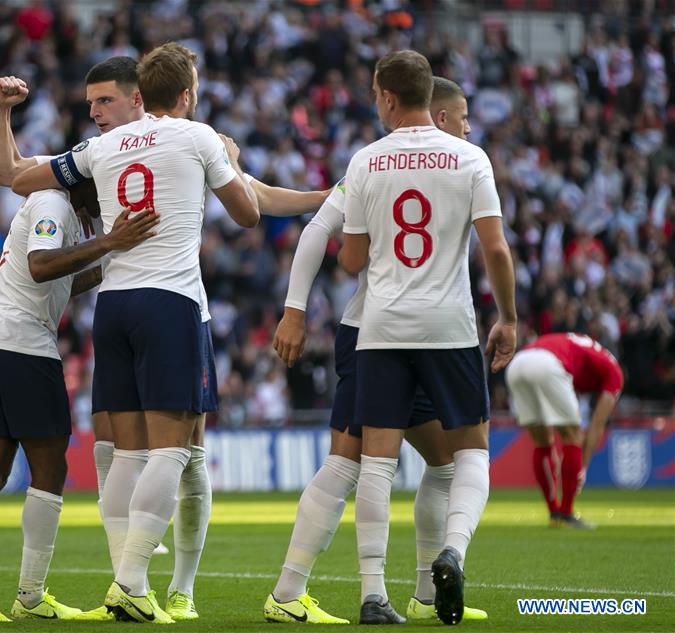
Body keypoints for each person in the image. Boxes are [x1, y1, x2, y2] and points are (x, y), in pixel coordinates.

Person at [0, 57, 325, 621]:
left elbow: (15, 176)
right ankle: (132, 582)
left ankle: (130, 584)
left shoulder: (102, 148)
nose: (96, 111)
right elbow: (248, 213)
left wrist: (2, 115)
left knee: (127, 454)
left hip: (114, 306)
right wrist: (233, 160)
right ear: (189, 94)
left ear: (140, 95)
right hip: (171, 304)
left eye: (103, 101)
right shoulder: (197, 137)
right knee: (175, 451)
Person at [265, 77, 487, 625]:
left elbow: (328, 240)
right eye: (460, 116)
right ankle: (290, 591)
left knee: (440, 460)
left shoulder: (376, 165)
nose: (466, 126)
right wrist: (294, 310)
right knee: (350, 461)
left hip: (398, 334)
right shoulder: (412, 162)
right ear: (435, 113)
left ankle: (424, 594)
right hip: (377, 335)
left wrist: (298, 307)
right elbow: (319, 234)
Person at [0, 100, 159, 620]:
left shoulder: (54, 208)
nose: (100, 200)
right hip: (21, 348)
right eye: (97, 188)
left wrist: (112, 260)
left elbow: (59, 278)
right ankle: (30, 596)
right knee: (50, 469)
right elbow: (41, 267)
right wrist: (109, 240)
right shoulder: (54, 204)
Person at [338, 51, 517, 626]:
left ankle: (373, 595)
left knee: (377, 462)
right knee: (470, 450)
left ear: (388, 97)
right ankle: (453, 551)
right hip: (449, 324)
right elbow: (494, 248)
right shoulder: (470, 158)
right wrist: (509, 317)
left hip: (383, 326)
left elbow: (352, 260)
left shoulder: (365, 161)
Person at [505, 332, 623, 529]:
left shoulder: (584, 349)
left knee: (542, 442)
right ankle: (566, 513)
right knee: (572, 436)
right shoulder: (615, 375)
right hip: (548, 364)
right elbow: (596, 426)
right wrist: (582, 467)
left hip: (518, 364)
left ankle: (554, 512)